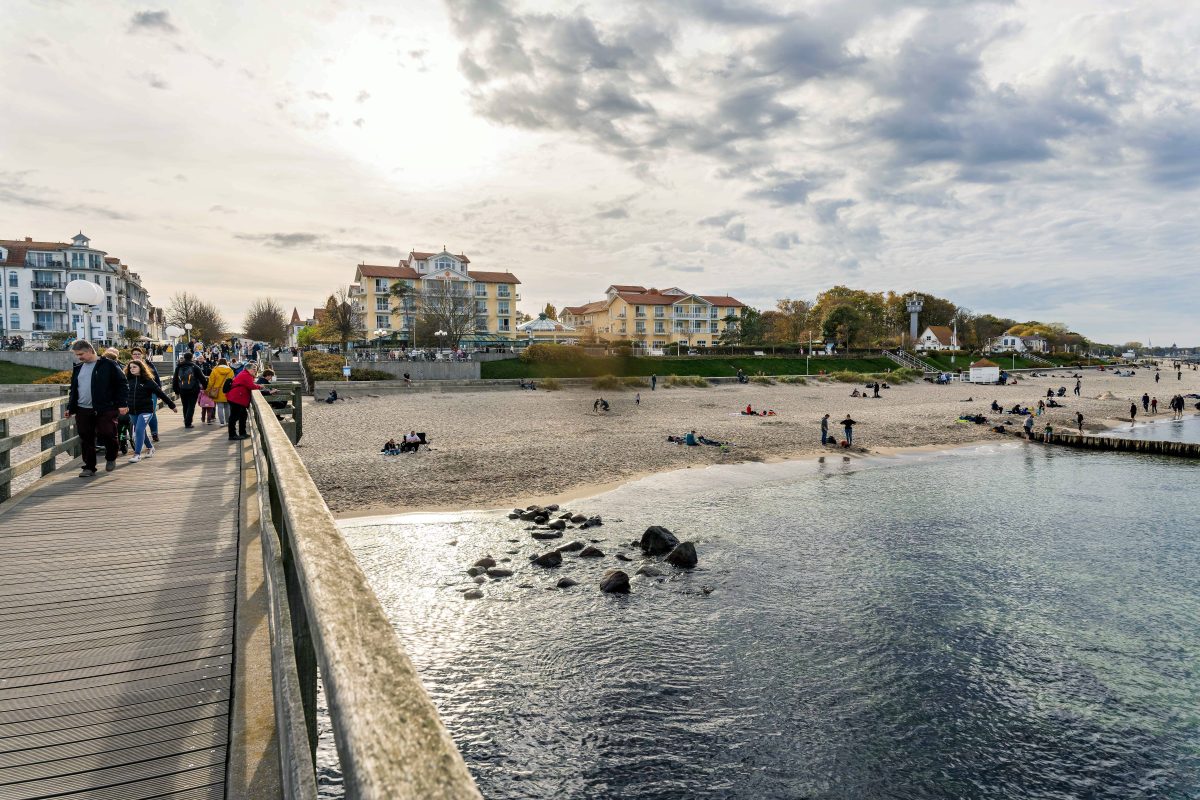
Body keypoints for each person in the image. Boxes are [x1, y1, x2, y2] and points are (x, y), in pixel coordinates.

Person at [66, 340, 129, 476]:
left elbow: (122, 384)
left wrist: (122, 403)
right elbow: (74, 390)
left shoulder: (109, 364)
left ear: (90, 350)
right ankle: (89, 467)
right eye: (77, 355)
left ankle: (111, 457)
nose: (79, 357)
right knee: (86, 438)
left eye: (81, 354)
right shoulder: (78, 368)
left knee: (107, 433)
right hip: (83, 409)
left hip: (105, 408)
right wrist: (70, 408)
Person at [125, 360, 177, 462]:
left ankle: (137, 454)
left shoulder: (148, 381)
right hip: (132, 410)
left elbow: (161, 393)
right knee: (141, 430)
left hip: (146, 410)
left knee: (138, 430)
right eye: (130, 368)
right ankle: (150, 447)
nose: (132, 369)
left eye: (134, 367)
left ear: (141, 367)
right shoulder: (127, 380)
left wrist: (172, 405)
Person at [226, 362, 273, 440]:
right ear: (248, 369)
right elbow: (251, 386)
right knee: (234, 417)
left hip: (237, 397)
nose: (255, 370)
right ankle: (232, 435)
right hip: (236, 398)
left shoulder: (245, 374)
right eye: (253, 369)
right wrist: (260, 386)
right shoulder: (246, 375)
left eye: (255, 369)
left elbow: (249, 384)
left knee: (243, 415)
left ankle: (242, 432)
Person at [130, 346, 162, 444]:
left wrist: (159, 391)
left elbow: (156, 378)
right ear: (132, 355)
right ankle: (141, 434)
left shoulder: (148, 364)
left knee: (151, 412)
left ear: (142, 355)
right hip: (136, 394)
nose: (137, 356)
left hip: (150, 392)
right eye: (135, 354)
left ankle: (154, 432)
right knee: (136, 414)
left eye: (138, 354)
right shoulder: (130, 366)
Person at [173, 352, 205, 428]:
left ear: (184, 358)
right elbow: (202, 378)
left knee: (185, 406)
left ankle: (186, 420)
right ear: (192, 358)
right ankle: (188, 422)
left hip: (182, 389)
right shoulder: (195, 367)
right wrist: (205, 387)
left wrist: (176, 390)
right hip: (193, 390)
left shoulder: (178, 367)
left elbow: (175, 379)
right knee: (191, 406)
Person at [207, 358, 235, 426]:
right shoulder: (230, 370)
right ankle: (228, 421)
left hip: (217, 391)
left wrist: (208, 389)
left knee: (220, 407)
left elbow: (211, 382)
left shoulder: (215, 370)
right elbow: (233, 380)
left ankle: (221, 422)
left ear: (219, 362)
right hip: (227, 390)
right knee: (227, 407)